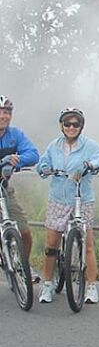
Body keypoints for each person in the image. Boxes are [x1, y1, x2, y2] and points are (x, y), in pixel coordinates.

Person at [37, 107, 99, 305]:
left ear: (81, 126)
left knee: (87, 245)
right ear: (61, 126)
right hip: (58, 198)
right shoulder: (54, 146)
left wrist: (91, 164)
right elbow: (41, 164)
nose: (71, 127)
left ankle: (91, 286)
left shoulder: (89, 145)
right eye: (67, 123)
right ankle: (47, 283)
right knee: (51, 245)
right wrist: (45, 169)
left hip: (82, 198)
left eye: (76, 124)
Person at [0, 95, 40, 280]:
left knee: (23, 230)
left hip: (3, 188)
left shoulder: (14, 134)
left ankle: (22, 264)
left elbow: (33, 154)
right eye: (0, 112)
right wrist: (3, 161)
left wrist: (16, 161)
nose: (4, 116)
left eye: (7, 112)